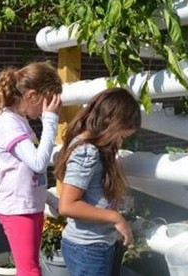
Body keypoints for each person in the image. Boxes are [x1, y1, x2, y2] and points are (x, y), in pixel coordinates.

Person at [53, 88, 141, 276]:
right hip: (88, 247)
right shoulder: (87, 152)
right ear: (112, 124)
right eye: (122, 137)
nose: (120, 143)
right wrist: (115, 217)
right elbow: (67, 205)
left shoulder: (87, 144)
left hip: (92, 245)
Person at [0, 61, 63, 276]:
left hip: (29, 205)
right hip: (17, 209)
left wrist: (49, 199)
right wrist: (50, 121)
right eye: (46, 103)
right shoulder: (8, 122)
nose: (46, 109)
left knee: (30, 268)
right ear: (31, 96)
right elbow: (38, 163)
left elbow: (29, 174)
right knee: (29, 271)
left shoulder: (19, 120)